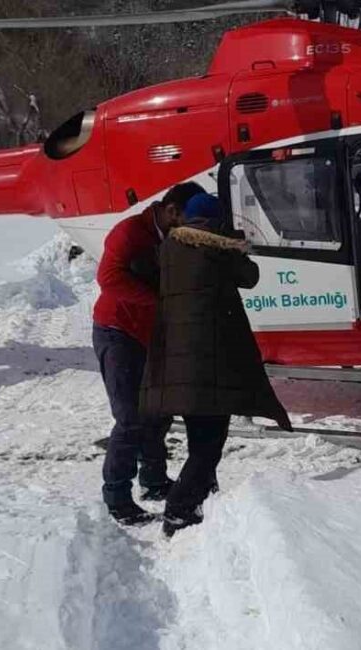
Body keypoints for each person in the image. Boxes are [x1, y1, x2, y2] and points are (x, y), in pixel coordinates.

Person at [140, 193, 292, 536]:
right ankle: (179, 508)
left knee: (199, 436)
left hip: (176, 361)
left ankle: (206, 497)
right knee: (210, 444)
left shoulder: (167, 249)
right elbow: (250, 276)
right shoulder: (217, 249)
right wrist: (236, 246)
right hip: (210, 361)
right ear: (215, 221)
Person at [93, 182, 205, 526]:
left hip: (152, 335)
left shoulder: (173, 237)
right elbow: (108, 278)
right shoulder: (129, 232)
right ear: (172, 211)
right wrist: (160, 303)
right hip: (118, 332)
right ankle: (117, 497)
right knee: (130, 418)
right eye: (186, 221)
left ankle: (154, 482)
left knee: (158, 412)